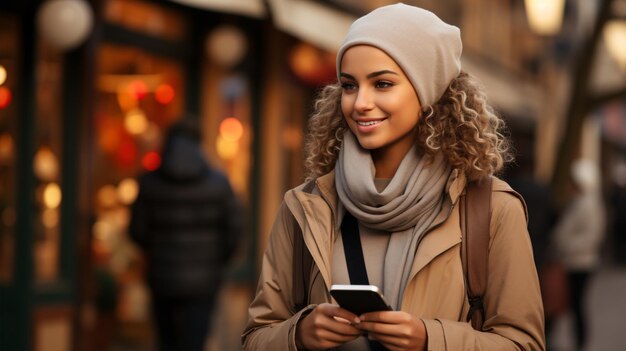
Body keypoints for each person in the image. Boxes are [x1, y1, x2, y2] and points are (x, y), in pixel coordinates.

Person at [242, 4, 544, 351]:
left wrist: (430, 339)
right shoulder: (305, 205)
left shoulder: (491, 209)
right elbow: (255, 337)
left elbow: (524, 344)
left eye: (382, 83)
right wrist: (299, 334)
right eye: (349, 85)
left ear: (427, 91)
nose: (360, 103)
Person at [129, 117, 242, 351]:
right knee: (195, 342)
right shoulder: (218, 183)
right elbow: (235, 231)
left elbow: (137, 231)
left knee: (167, 342)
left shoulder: (149, 183)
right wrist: (216, 261)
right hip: (204, 282)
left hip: (162, 279)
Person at [551, 158, 606, 351]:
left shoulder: (588, 204)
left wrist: (564, 244)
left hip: (580, 263)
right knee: (568, 303)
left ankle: (580, 343)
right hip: (572, 262)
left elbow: (590, 237)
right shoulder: (580, 202)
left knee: (576, 304)